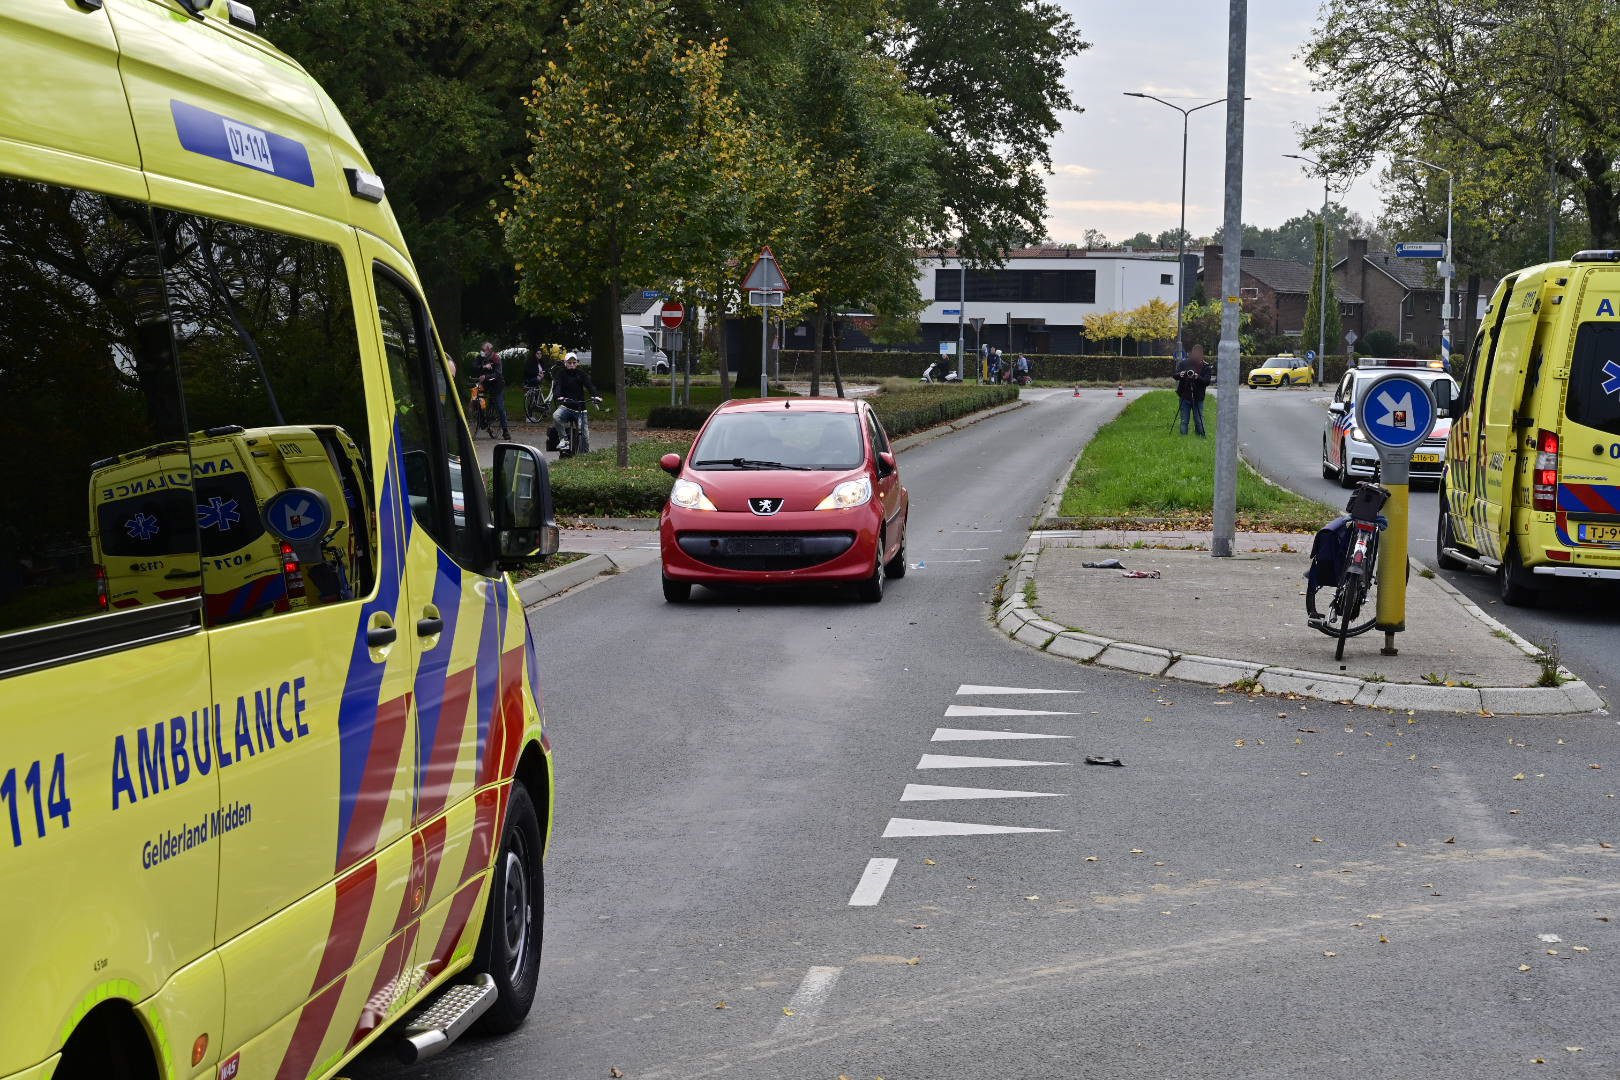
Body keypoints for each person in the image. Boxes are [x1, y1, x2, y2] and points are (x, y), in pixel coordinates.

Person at [550, 351, 601, 453]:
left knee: (585, 436)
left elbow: (590, 385)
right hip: (566, 407)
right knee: (556, 416)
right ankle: (564, 440)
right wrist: (558, 396)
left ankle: (584, 456)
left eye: (574, 363)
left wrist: (596, 396)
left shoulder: (581, 374)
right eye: (569, 363)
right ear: (565, 363)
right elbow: (557, 386)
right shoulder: (561, 374)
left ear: (577, 363)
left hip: (580, 409)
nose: (572, 365)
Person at [1174, 348, 1212, 436]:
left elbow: (1207, 381)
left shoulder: (1206, 366)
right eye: (1194, 354)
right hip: (1185, 396)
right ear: (1192, 354)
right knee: (1184, 420)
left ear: (1202, 355)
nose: (1196, 356)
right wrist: (1180, 374)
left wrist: (1197, 377)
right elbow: (1174, 375)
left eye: (1198, 354)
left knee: (1199, 420)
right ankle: (1183, 439)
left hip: (1198, 397)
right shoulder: (1184, 363)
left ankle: (1201, 438)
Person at [477, 341, 510, 439]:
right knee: (476, 399)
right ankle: (482, 420)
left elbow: (498, 374)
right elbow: (475, 367)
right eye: (482, 350)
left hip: (496, 385)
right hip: (486, 385)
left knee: (500, 407)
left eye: (483, 350)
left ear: (489, 350)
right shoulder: (481, 358)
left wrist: (485, 377)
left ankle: (505, 430)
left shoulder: (496, 358)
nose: (482, 352)